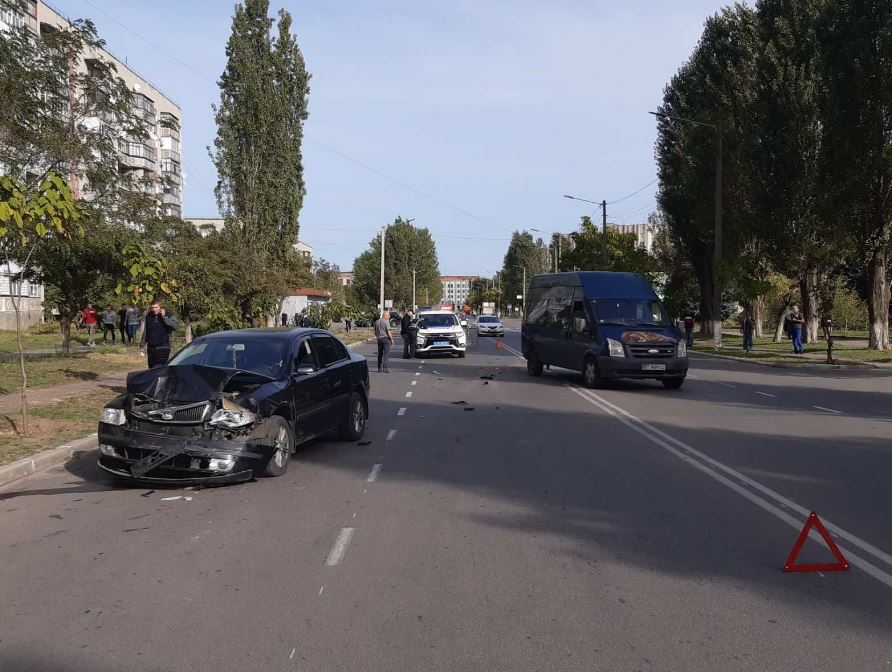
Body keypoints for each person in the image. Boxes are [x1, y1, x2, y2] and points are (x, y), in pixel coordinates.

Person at [139, 300, 179, 367]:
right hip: (151, 347)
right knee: (151, 368)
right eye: (152, 308)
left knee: (162, 368)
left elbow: (175, 326)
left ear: (161, 307)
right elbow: (146, 331)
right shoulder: (149, 316)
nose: (154, 309)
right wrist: (142, 345)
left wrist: (164, 317)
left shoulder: (168, 314)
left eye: (156, 307)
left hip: (163, 345)